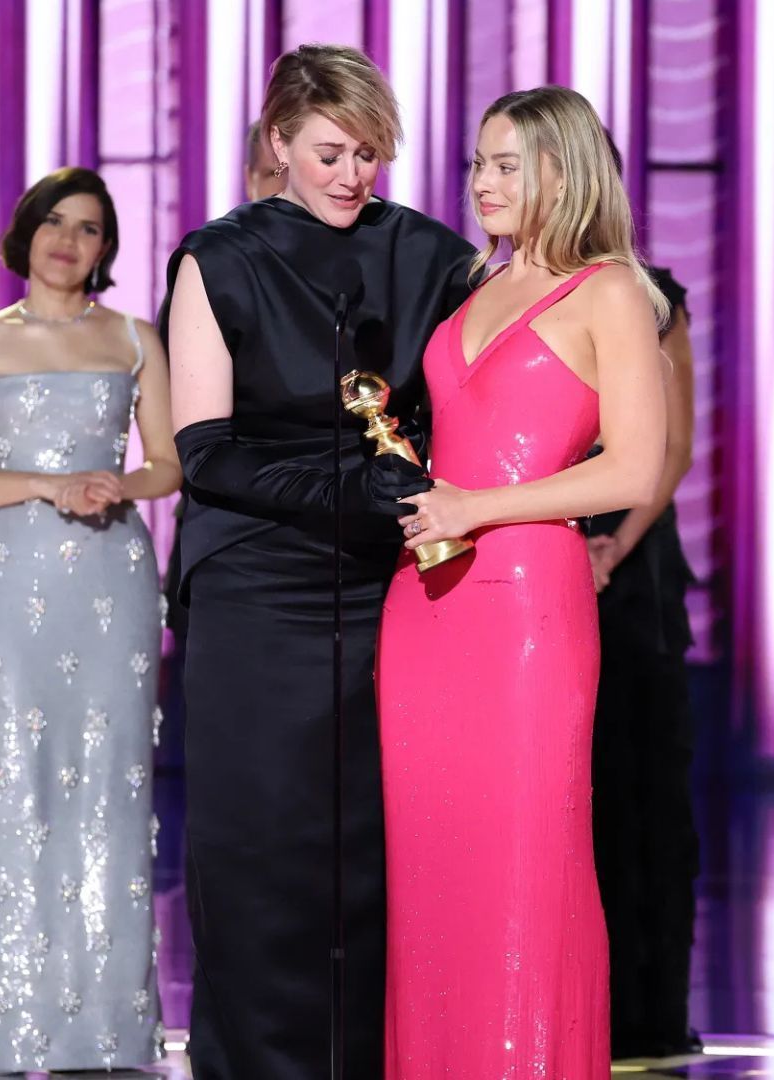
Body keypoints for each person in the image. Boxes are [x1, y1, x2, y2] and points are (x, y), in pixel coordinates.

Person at [163, 45, 478, 1078]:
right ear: (277, 145)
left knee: (375, 852)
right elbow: (205, 452)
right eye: (331, 152)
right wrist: (346, 492)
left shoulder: (429, 252)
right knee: (258, 848)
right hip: (255, 581)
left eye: (371, 154)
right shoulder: (218, 256)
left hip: (390, 583)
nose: (353, 176)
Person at [376, 85, 670, 1078]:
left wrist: (477, 508)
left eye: (507, 164)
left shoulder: (611, 291)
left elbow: (635, 466)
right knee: (432, 870)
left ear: (563, 170)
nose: (483, 182)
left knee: (523, 866)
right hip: (424, 602)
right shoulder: (475, 280)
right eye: (477, 163)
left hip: (527, 611)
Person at [0, 166, 179, 1073]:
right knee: (13, 781)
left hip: (112, 579)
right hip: (9, 582)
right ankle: (12, 1024)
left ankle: (105, 1030)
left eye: (90, 229)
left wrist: (123, 484)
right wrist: (46, 484)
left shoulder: (137, 339)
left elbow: (171, 465)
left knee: (111, 783)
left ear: (107, 249)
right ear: (26, 233)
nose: (70, 241)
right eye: (55, 224)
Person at [586, 140, 703, 1060]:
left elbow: (668, 447)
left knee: (641, 795)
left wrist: (614, 545)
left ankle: (647, 1013)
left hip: (631, 574)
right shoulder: (492, 289)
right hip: (530, 558)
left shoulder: (653, 294)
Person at [159, 120, 289, 639]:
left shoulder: (377, 271)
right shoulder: (205, 274)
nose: (283, 191)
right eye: (269, 174)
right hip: (226, 546)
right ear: (246, 178)